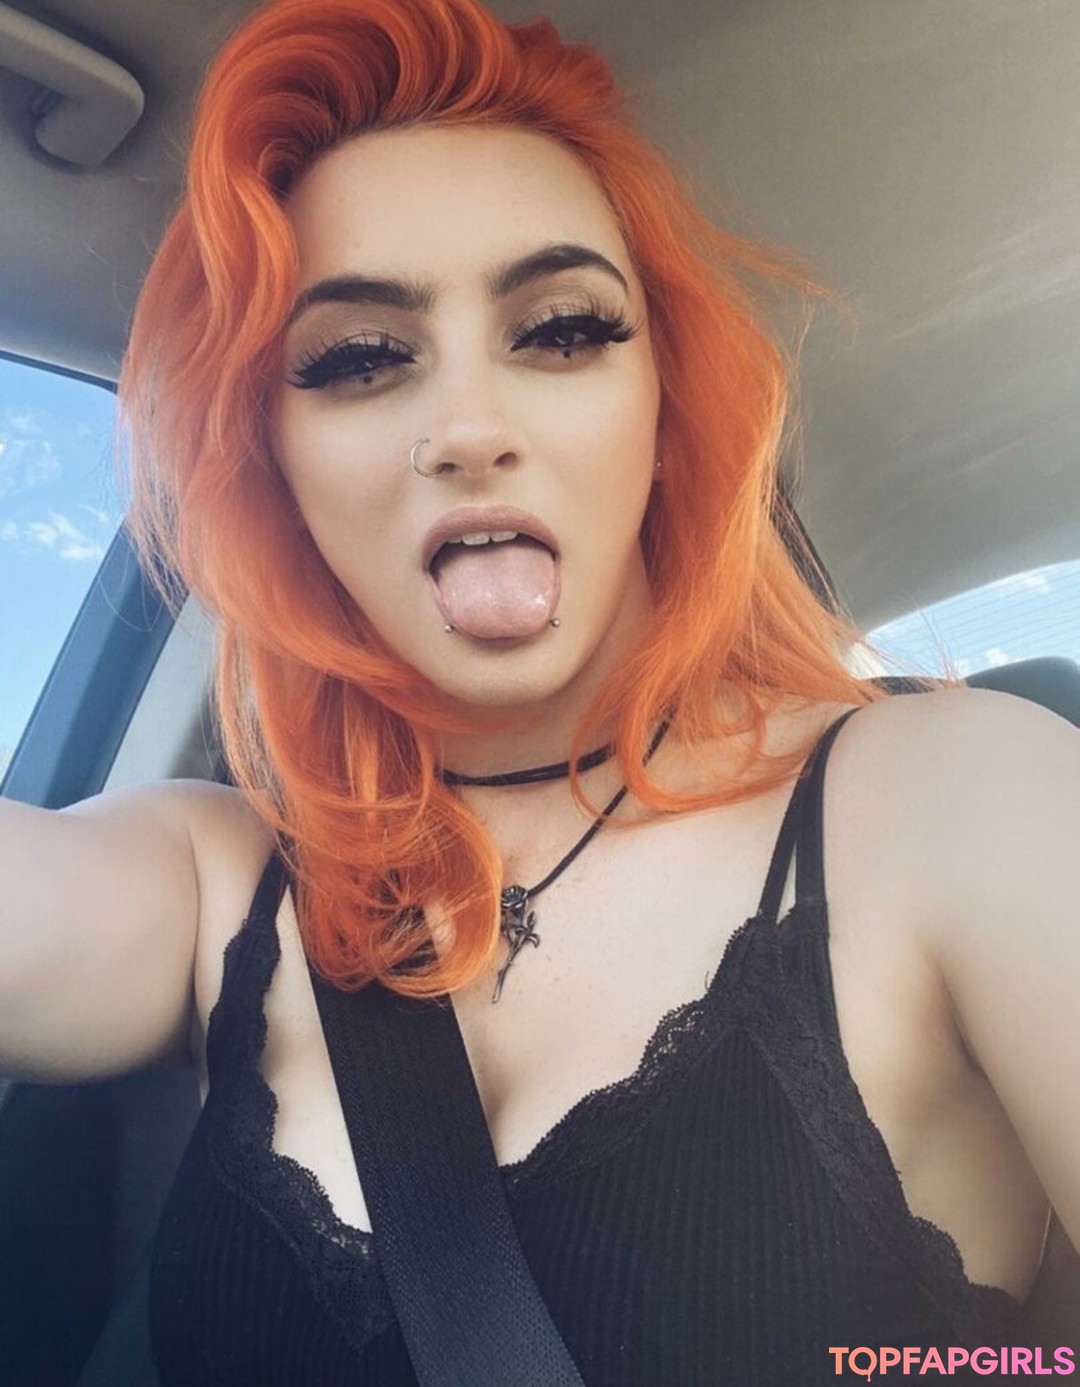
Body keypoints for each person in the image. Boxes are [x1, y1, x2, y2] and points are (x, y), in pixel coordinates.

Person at [1, 0, 1077, 1380]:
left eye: (562, 331)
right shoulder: (219, 875)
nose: (468, 428)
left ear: (664, 409)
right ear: (277, 466)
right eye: (356, 358)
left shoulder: (963, 799)